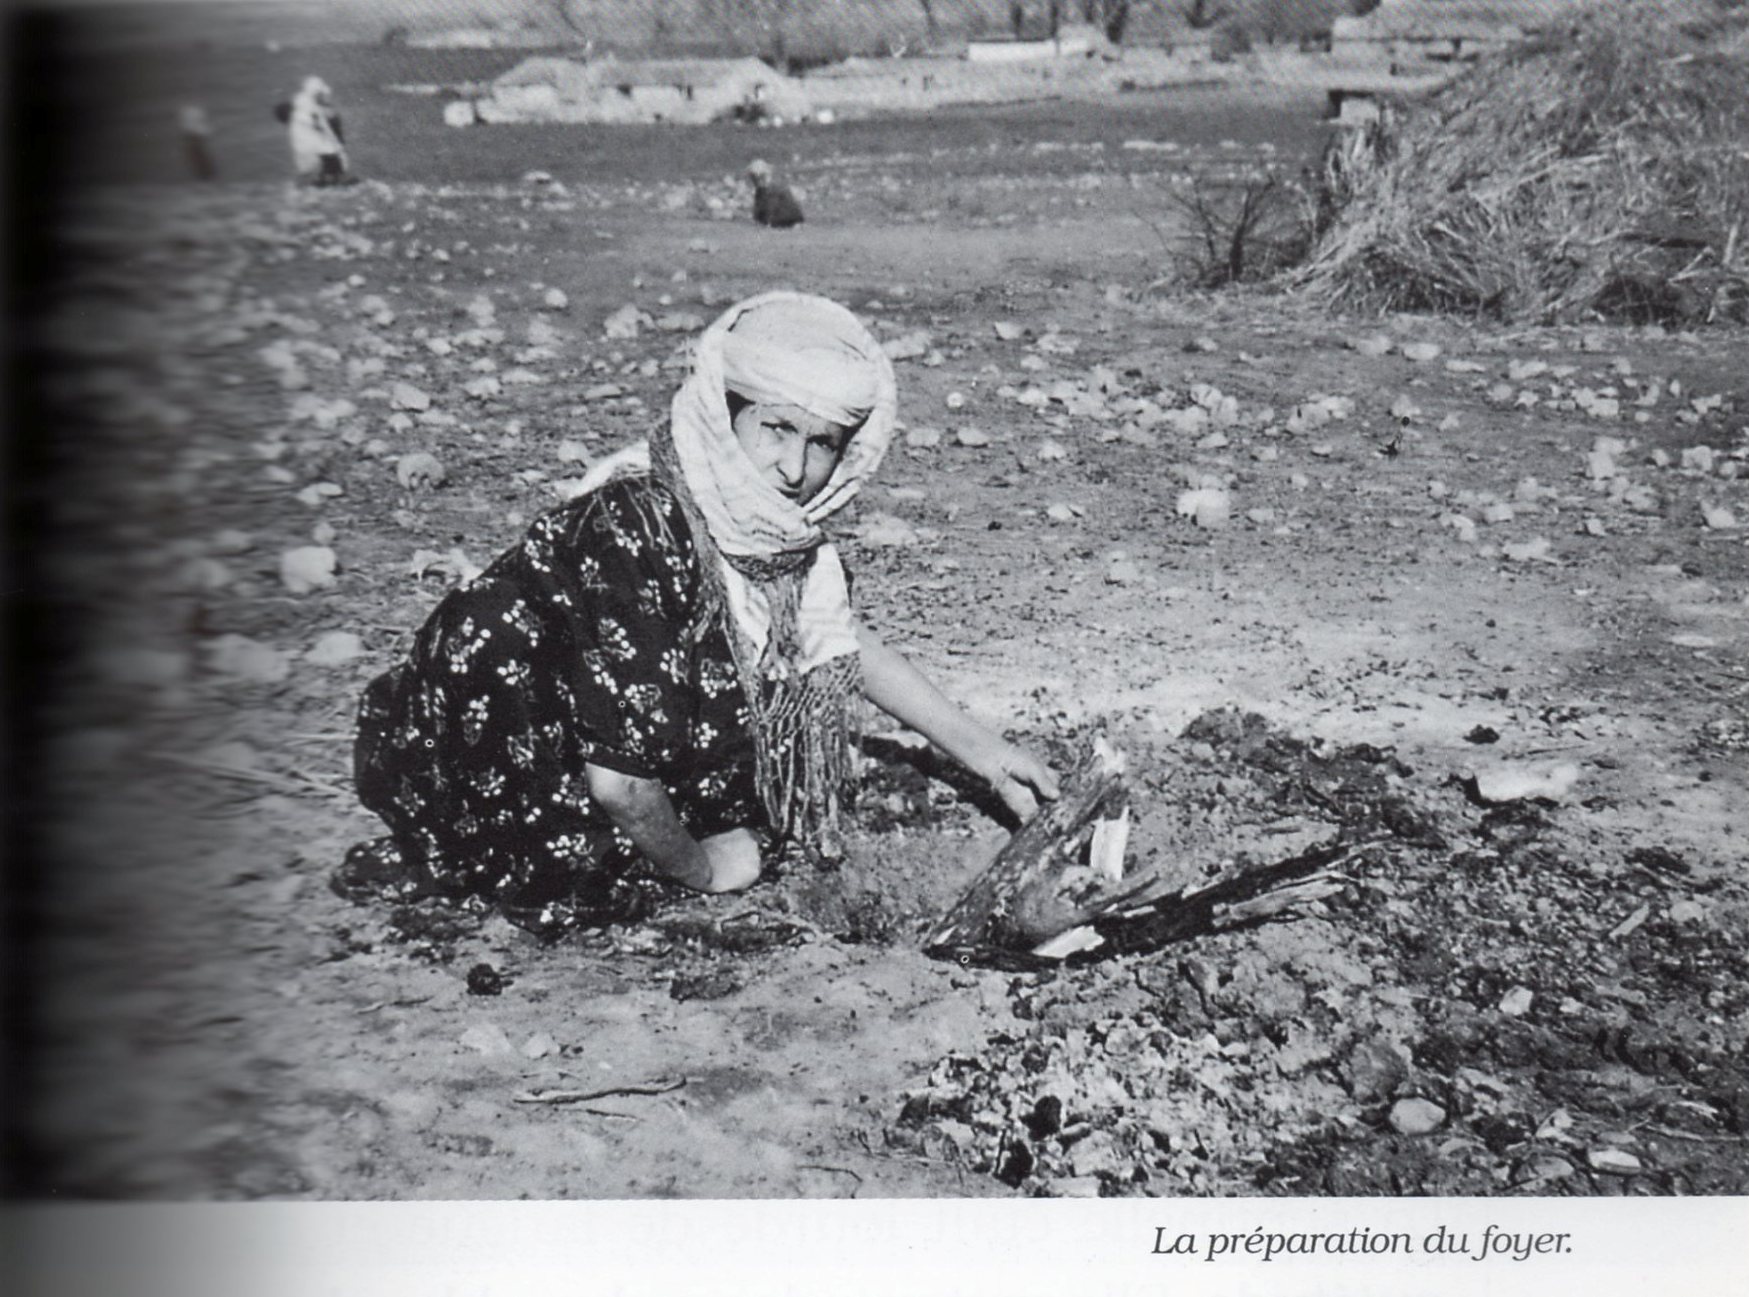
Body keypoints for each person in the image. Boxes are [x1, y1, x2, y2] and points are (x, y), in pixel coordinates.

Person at [336, 292, 1058, 936]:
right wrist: (700, 869)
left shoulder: (760, 526)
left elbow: (835, 642)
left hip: (591, 748)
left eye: (821, 443)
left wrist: (986, 755)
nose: (792, 466)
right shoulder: (637, 522)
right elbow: (617, 781)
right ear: (727, 410)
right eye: (775, 427)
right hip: (501, 762)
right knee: (687, 846)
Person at [284, 75, 348, 185]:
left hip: (309, 152)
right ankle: (328, 180)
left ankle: (322, 180)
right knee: (332, 167)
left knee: (321, 171)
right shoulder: (319, 111)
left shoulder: (301, 107)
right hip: (320, 151)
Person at [747, 159, 804, 228]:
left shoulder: (770, 188)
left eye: (753, 177)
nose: (752, 180)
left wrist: (766, 221)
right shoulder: (765, 188)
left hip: (785, 219)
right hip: (789, 218)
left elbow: (770, 207)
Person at [179, 105, 216, 181]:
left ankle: (206, 175)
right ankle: (206, 175)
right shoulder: (194, 125)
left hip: (194, 138)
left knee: (199, 156)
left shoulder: (193, 124)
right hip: (194, 139)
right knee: (199, 157)